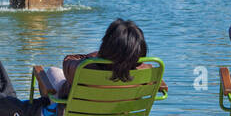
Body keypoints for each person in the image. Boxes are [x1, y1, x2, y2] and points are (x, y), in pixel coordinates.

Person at [35, 18, 168, 100]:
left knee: (51, 71)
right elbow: (163, 87)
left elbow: (68, 62)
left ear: (106, 43)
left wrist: (98, 55)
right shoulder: (148, 72)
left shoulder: (86, 67)